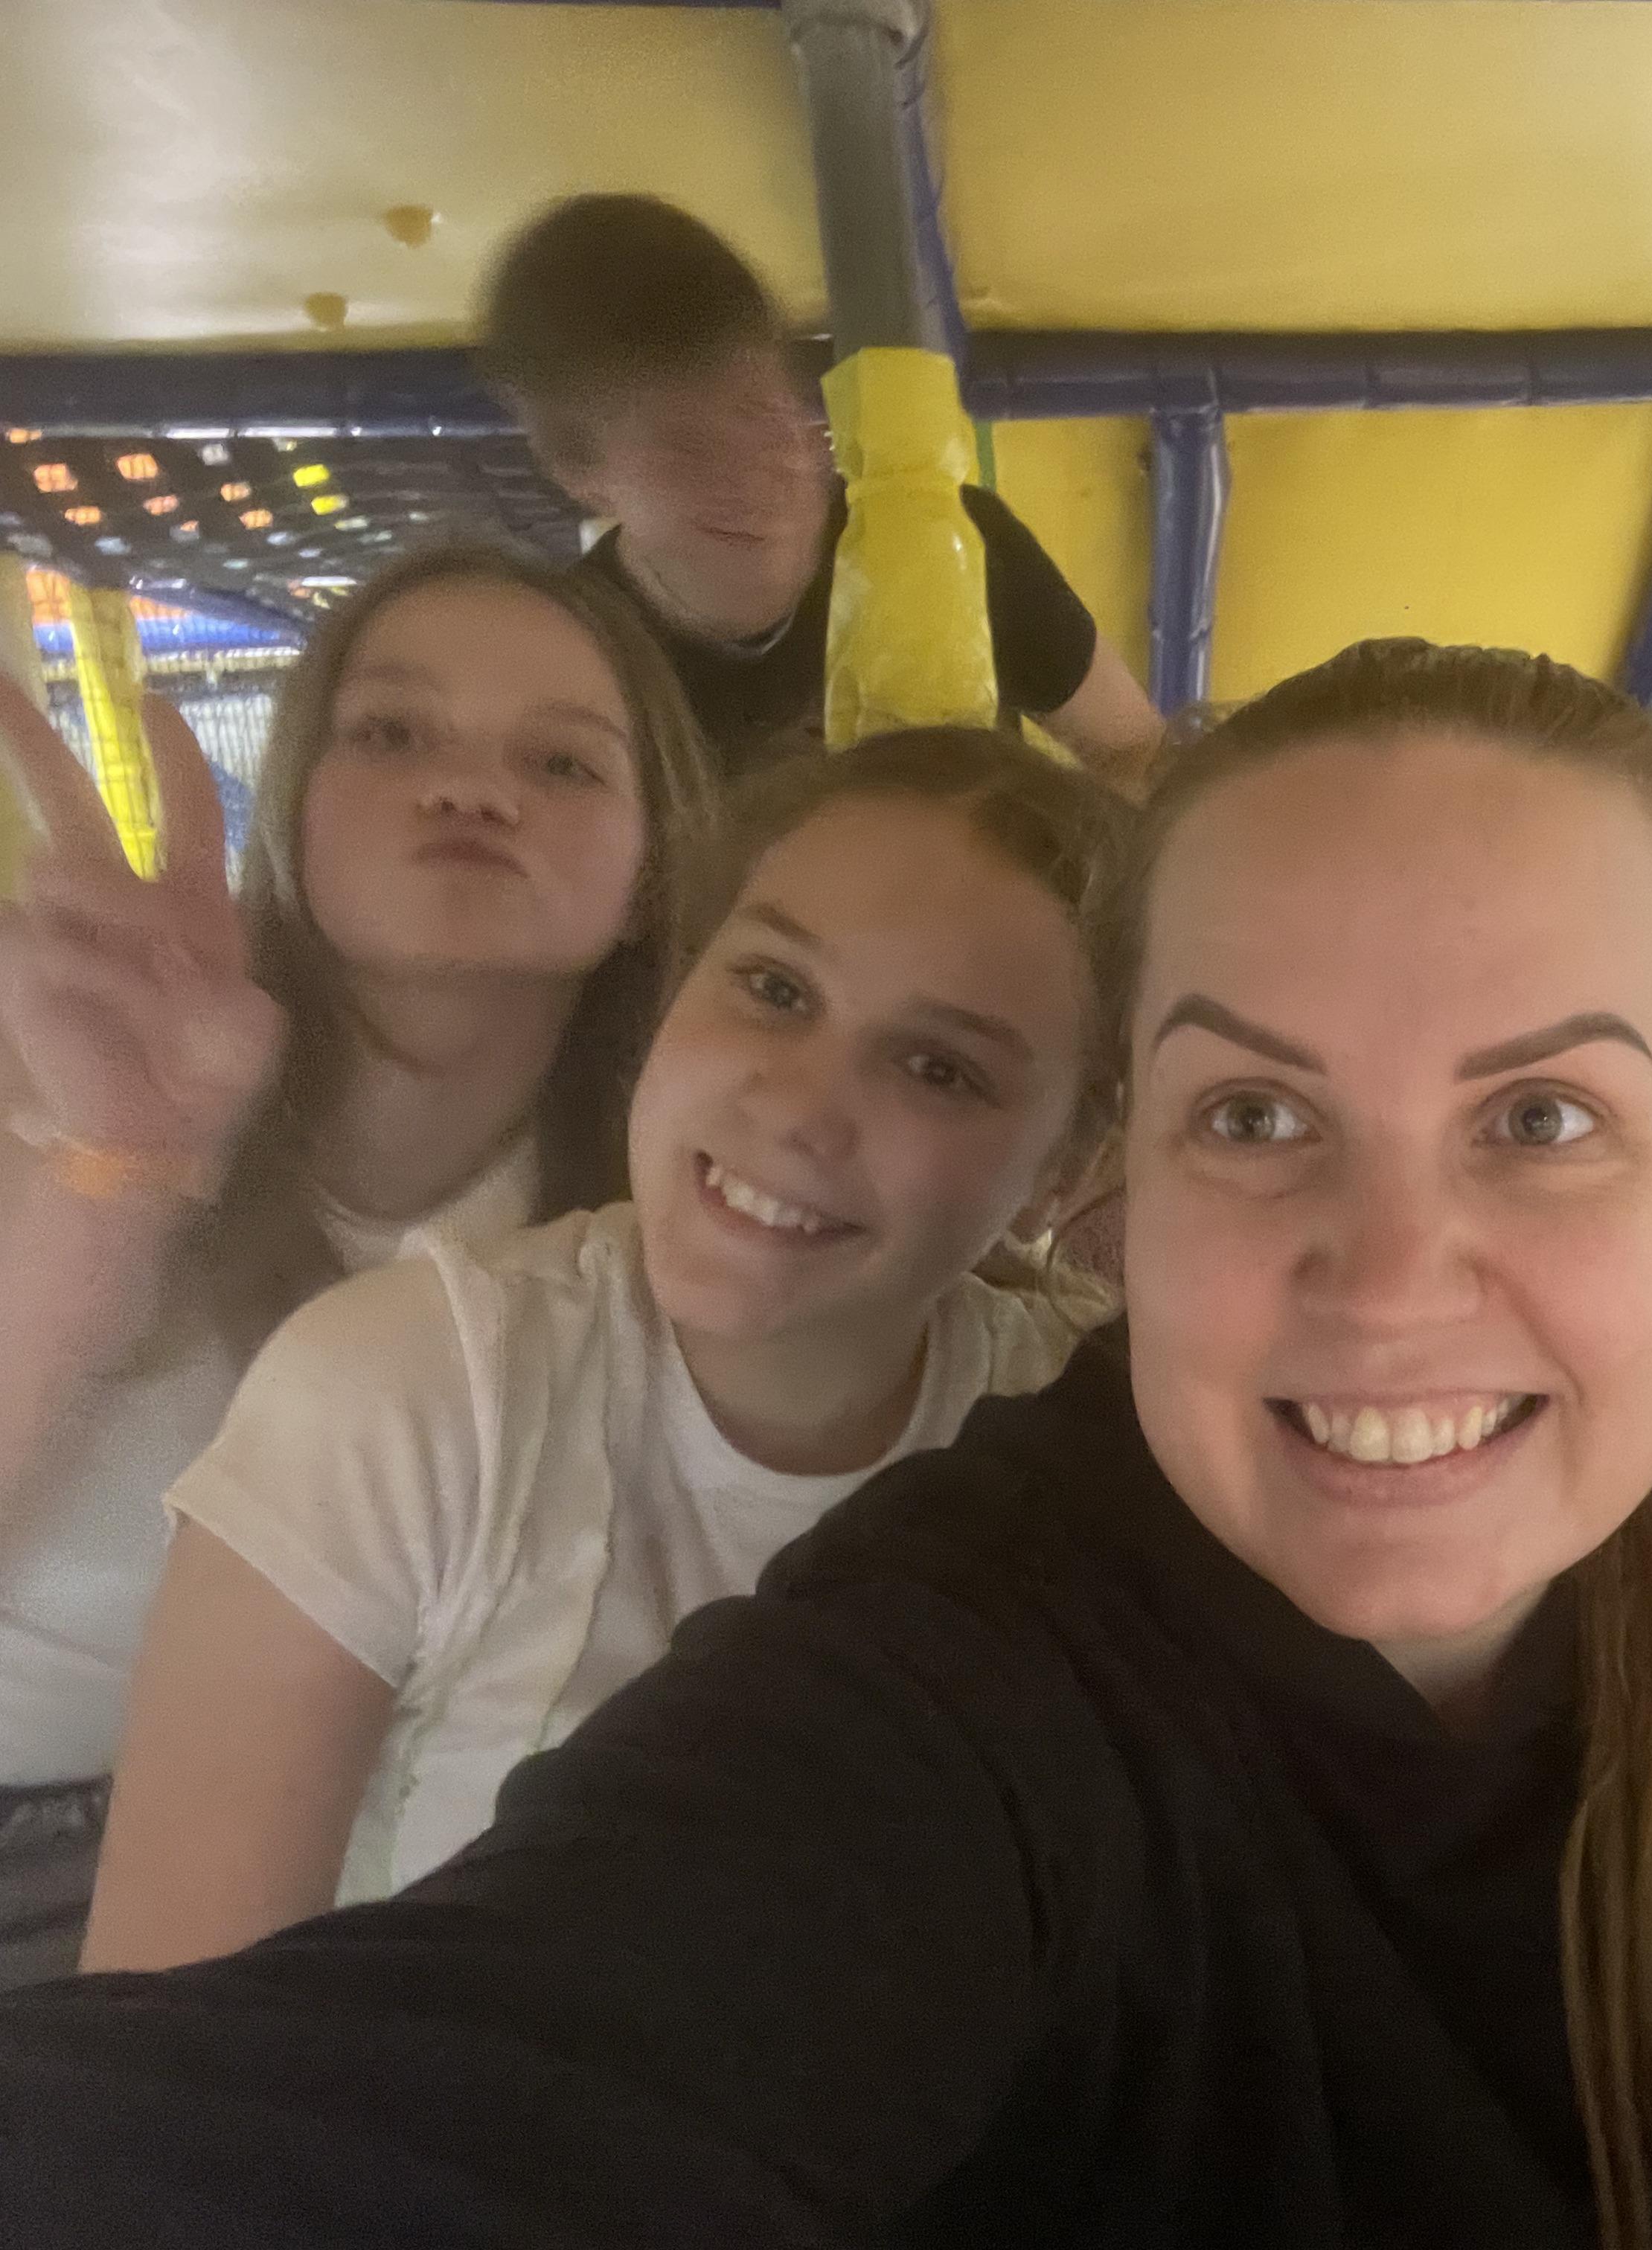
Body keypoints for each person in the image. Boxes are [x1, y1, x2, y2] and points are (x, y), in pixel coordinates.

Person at [0, 641, 1652, 2250]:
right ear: (1123, 1190)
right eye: (1258, 1118)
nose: (1389, 1280)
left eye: (1540, 1119)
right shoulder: (949, 1679)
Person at [82, 729, 1120, 1970]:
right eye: (776, 988)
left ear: (1061, 1170)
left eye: (938, 1068)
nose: (798, 1104)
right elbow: (165, 2030)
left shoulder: (1101, 1444)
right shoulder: (400, 1395)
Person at [0, 543, 716, 1987]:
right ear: (295, 812)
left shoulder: (683, 1235)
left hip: (404, 1889)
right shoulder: (71, 1055)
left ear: (650, 869)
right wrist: (111, 1175)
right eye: (392, 733)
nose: (470, 789)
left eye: (562, 762)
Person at [478, 193, 1165, 789]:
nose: (749, 474)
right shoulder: (570, 665)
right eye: (686, 448)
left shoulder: (951, 542)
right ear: (583, 476)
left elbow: (1136, 753)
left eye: (760, 412)